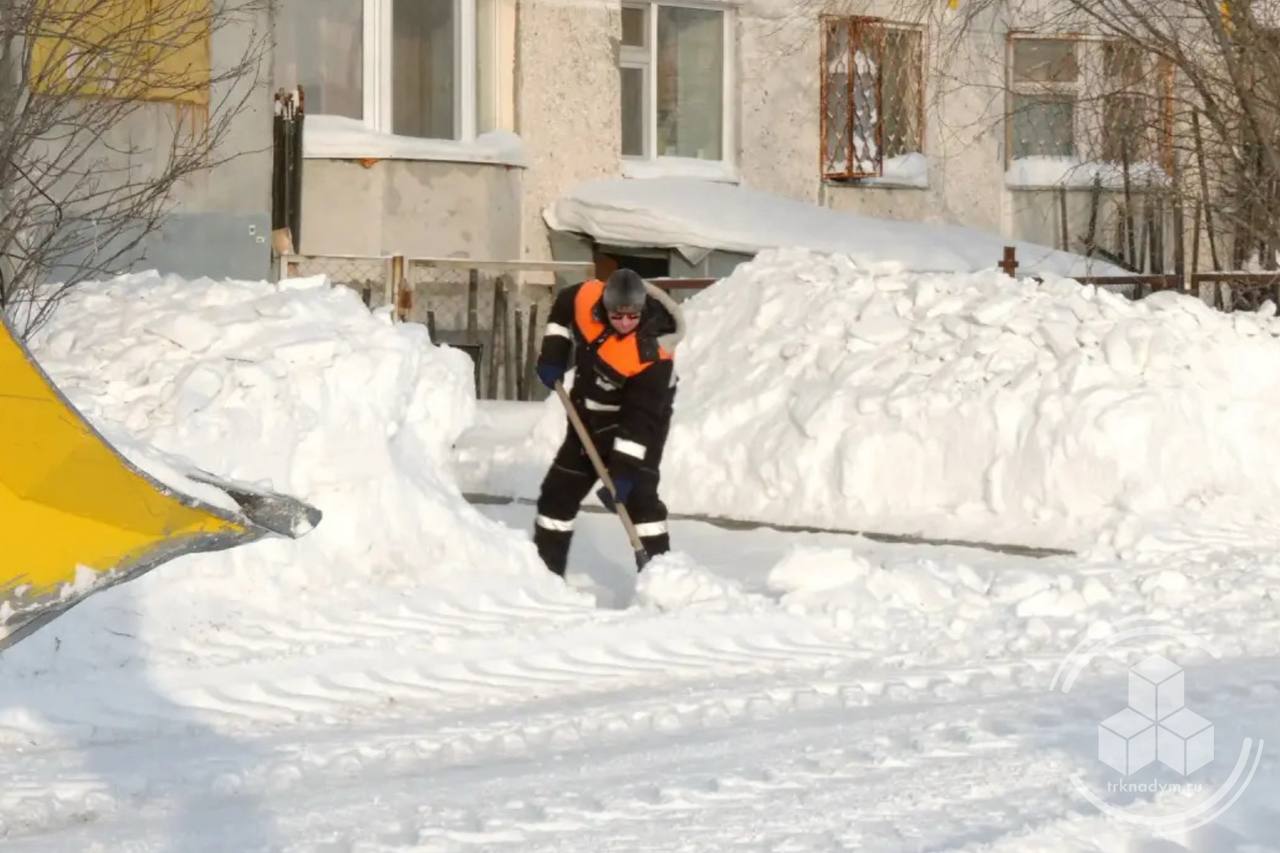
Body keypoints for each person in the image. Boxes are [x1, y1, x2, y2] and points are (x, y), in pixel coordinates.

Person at [532, 266, 684, 577]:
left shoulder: (652, 354)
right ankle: (545, 577)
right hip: (587, 418)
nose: (626, 323)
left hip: (638, 424)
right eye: (618, 316)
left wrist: (625, 471)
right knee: (557, 494)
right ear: (605, 306)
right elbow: (564, 304)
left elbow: (640, 417)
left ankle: (661, 578)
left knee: (639, 501)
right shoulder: (587, 300)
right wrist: (554, 352)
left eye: (633, 316)